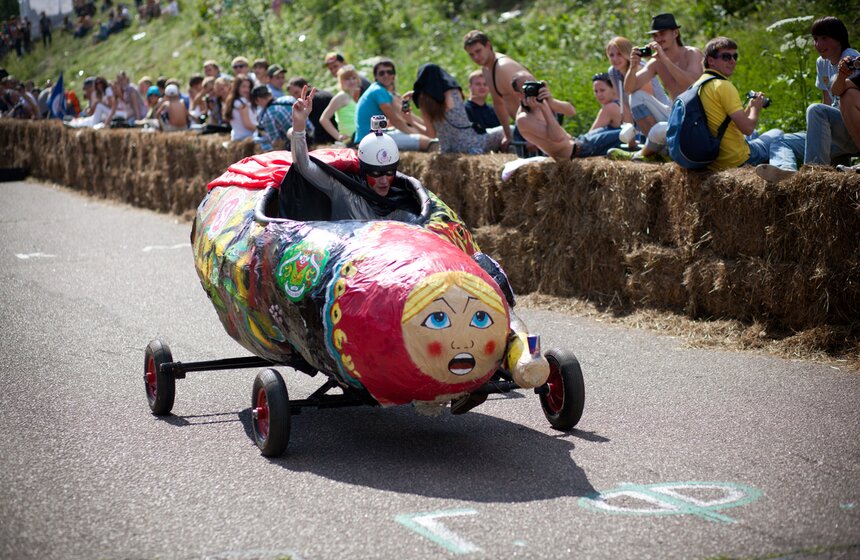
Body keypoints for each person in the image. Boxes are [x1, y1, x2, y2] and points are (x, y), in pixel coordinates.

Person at [291, 86, 422, 222]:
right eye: (376, 174)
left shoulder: (403, 200)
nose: (383, 181)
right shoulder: (342, 189)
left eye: (389, 173)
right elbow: (303, 166)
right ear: (364, 171)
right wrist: (299, 125)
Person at [756, 16, 860, 182]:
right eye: (815, 39)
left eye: (824, 38)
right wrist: (818, 133)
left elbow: (846, 97)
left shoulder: (851, 58)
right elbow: (827, 102)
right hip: (835, 134)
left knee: (815, 109)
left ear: (838, 38)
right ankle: (787, 175)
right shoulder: (821, 62)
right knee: (780, 141)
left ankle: (812, 177)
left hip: (852, 131)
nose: (818, 45)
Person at [612, 13, 704, 161]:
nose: (658, 39)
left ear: (675, 33)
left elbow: (690, 84)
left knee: (659, 129)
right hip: (673, 113)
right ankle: (658, 153)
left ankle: (651, 153)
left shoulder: (692, 53)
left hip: (694, 117)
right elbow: (629, 89)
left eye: (662, 34)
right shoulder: (656, 62)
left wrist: (665, 59)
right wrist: (633, 67)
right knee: (636, 96)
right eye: (655, 36)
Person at [692, 37, 782, 170]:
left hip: (712, 158)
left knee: (756, 134)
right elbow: (747, 129)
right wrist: (756, 109)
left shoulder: (698, 84)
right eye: (726, 57)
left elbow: (729, 123)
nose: (733, 61)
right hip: (733, 160)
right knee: (777, 134)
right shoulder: (723, 86)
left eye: (735, 56)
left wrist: (750, 107)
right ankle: (780, 172)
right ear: (711, 60)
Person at [512, 71, 620, 160]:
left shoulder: (540, 101)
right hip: (576, 152)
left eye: (533, 83)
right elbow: (557, 137)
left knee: (626, 131)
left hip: (580, 142)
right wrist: (544, 108)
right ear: (518, 94)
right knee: (625, 135)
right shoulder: (524, 118)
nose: (531, 88)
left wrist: (551, 101)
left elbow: (571, 111)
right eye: (526, 86)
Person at [405, 63, 504, 154]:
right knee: (509, 130)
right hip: (471, 144)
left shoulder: (424, 103)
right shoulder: (454, 93)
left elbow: (431, 135)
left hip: (447, 149)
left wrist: (412, 121)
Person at [463, 29, 529, 151]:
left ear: (488, 45)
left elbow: (532, 97)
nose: (476, 57)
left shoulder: (503, 67)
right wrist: (507, 135)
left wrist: (536, 132)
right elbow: (498, 102)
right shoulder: (486, 70)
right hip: (524, 125)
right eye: (471, 54)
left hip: (537, 121)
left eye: (478, 51)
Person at [605, 35, 669, 149]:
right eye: (611, 55)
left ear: (628, 53)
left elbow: (645, 103)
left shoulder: (640, 66)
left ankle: (656, 148)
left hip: (662, 113)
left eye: (619, 54)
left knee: (636, 96)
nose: (615, 59)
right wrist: (631, 142)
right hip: (642, 120)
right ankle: (650, 146)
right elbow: (625, 106)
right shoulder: (613, 72)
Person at [354, 58, 432, 151]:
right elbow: (396, 120)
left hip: (375, 135)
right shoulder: (378, 91)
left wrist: (426, 127)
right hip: (370, 139)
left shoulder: (383, 92)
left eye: (389, 72)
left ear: (393, 75)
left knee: (422, 136)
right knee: (427, 142)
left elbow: (404, 114)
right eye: (382, 73)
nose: (386, 75)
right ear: (376, 77)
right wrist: (416, 134)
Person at [286, 76, 336, 145]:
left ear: (304, 88)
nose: (296, 97)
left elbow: (317, 126)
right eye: (293, 95)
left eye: (296, 92)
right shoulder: (324, 93)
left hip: (328, 140)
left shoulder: (312, 101)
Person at [318, 64, 361, 145]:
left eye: (354, 78)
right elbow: (323, 119)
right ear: (340, 81)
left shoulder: (351, 95)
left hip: (356, 138)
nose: (351, 81)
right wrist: (339, 136)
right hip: (350, 141)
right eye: (347, 79)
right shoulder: (341, 96)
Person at [252, 85, 295, 151]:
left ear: (257, 100)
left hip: (297, 143)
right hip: (310, 137)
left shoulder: (268, 115)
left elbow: (277, 143)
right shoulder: (288, 99)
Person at [223, 74, 256, 141]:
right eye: (243, 86)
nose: (247, 89)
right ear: (237, 87)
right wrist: (263, 131)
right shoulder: (241, 103)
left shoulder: (233, 101)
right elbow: (248, 124)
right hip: (246, 139)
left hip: (237, 137)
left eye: (248, 87)